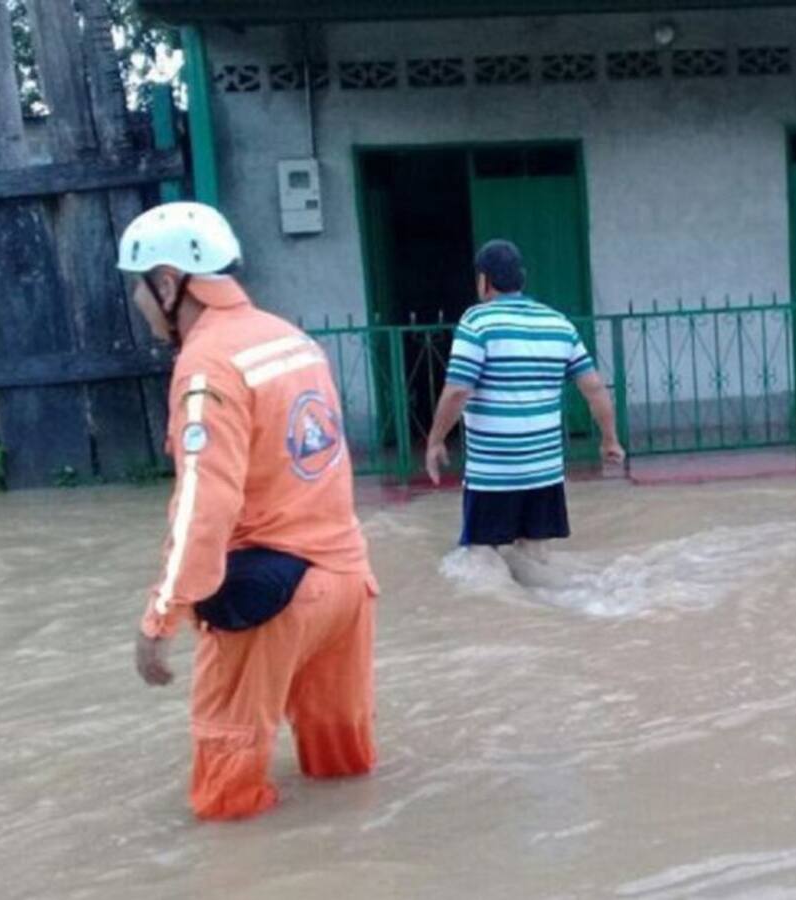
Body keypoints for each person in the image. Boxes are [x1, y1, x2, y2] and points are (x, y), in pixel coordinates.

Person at [119, 202, 377, 821]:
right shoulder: (291, 339)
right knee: (345, 778)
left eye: (139, 286)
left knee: (226, 804)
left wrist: (160, 617)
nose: (138, 301)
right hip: (347, 584)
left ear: (168, 283)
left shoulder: (206, 365)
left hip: (272, 599)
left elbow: (203, 506)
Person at [425, 239, 624, 563]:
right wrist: (610, 440)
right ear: (522, 278)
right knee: (535, 555)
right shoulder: (559, 323)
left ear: (484, 280)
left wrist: (435, 440)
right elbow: (595, 388)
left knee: (482, 556)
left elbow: (458, 390)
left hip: (493, 471)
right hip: (544, 470)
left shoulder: (477, 322)